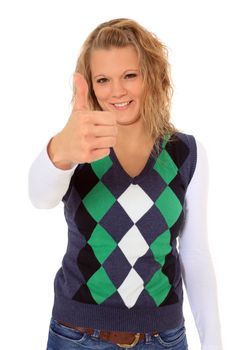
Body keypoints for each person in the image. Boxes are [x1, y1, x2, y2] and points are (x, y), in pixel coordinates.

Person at [29, 18, 223, 350]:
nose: (117, 91)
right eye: (103, 79)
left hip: (164, 339)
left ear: (152, 76)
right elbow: (39, 197)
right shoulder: (77, 146)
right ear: (89, 85)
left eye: (129, 75)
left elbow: (194, 254)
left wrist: (215, 343)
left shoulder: (186, 154)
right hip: (77, 336)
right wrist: (62, 148)